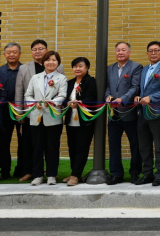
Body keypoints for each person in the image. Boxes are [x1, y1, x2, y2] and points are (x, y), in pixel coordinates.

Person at [16, 40, 64, 183]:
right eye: (48, 60)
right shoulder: (34, 77)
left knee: (52, 147)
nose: (50, 62)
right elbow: (26, 94)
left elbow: (62, 95)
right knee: (36, 146)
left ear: (57, 63)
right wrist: (33, 104)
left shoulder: (61, 77)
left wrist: (51, 102)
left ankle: (51, 175)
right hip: (35, 115)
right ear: (43, 62)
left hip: (53, 115)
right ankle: (37, 175)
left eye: (53, 60)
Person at [134, 41, 160, 187]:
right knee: (144, 145)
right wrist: (138, 96)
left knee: (159, 145)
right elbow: (141, 89)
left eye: (156, 50)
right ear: (147, 54)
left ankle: (159, 175)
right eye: (150, 51)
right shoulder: (144, 69)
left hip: (158, 112)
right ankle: (147, 174)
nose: (153, 53)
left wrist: (150, 98)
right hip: (142, 112)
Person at [105, 41, 143, 185]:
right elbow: (107, 87)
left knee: (135, 143)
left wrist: (123, 99)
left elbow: (135, 87)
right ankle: (116, 173)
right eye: (118, 50)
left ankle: (135, 172)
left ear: (129, 52)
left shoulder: (136, 67)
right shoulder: (110, 68)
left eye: (123, 50)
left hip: (129, 111)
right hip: (113, 113)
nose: (120, 52)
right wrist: (107, 96)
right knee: (114, 144)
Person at [64, 56, 96, 186]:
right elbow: (65, 98)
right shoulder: (70, 82)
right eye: (75, 66)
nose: (77, 68)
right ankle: (74, 172)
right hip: (71, 120)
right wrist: (68, 103)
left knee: (82, 148)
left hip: (84, 120)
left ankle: (76, 175)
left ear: (87, 67)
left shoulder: (90, 81)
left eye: (80, 66)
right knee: (72, 147)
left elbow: (91, 98)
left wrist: (80, 102)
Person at [0, 43, 23, 180]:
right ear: (4, 55)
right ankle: (5, 171)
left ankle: (22, 169)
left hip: (23, 111)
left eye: (14, 52)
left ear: (19, 54)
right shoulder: (0, 71)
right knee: (3, 142)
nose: (11, 55)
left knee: (24, 142)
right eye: (8, 52)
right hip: (4, 112)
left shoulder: (25, 70)